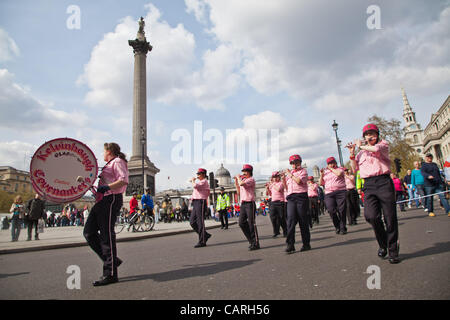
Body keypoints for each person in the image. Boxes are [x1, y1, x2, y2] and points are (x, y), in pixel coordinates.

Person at [348, 123, 400, 264]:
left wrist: (360, 145)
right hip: (369, 185)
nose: (369, 137)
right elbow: (355, 170)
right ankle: (383, 243)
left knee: (390, 218)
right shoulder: (361, 153)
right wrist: (352, 154)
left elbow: (375, 149)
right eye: (366, 134)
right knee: (371, 216)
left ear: (377, 135)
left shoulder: (383, 144)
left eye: (372, 134)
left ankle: (393, 250)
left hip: (383, 182)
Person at [83, 142, 129, 286]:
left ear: (109, 151)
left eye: (103, 151)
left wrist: (106, 187)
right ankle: (112, 261)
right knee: (89, 233)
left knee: (106, 235)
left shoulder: (118, 162)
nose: (102, 154)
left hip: (111, 199)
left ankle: (110, 273)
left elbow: (123, 180)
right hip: (101, 200)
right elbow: (102, 185)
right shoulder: (108, 165)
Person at [282, 155, 310, 254]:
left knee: (303, 220)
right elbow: (286, 187)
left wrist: (290, 175)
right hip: (291, 198)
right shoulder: (289, 174)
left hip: (301, 196)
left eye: (296, 163)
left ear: (300, 163)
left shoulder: (303, 172)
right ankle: (290, 245)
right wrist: (283, 179)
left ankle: (306, 244)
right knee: (290, 221)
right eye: (292, 163)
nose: (294, 165)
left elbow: (299, 181)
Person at [320, 157, 348, 235]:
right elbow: (321, 183)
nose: (331, 164)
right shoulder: (326, 172)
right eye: (329, 163)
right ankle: (337, 226)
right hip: (329, 193)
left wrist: (331, 169)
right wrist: (321, 174)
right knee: (331, 210)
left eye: (332, 163)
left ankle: (342, 227)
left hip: (340, 191)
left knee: (342, 210)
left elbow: (339, 174)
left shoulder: (340, 169)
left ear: (335, 162)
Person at [235, 164, 260, 251]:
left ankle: (256, 242)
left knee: (251, 223)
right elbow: (239, 193)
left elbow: (242, 183)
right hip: (243, 203)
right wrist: (236, 183)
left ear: (250, 172)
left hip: (250, 203)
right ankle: (251, 240)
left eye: (246, 171)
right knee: (241, 223)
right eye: (243, 171)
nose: (244, 173)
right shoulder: (244, 180)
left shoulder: (251, 179)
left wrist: (238, 179)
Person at [190, 168, 212, 247]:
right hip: (196, 202)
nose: (197, 176)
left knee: (200, 222)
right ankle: (204, 235)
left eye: (199, 174)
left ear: (203, 174)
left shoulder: (204, 181)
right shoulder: (200, 182)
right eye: (197, 174)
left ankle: (202, 241)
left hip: (201, 202)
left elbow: (195, 186)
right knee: (192, 222)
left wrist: (193, 180)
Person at [266, 171, 287, 237]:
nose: (274, 179)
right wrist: (267, 189)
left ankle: (285, 231)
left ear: (279, 177)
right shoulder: (272, 185)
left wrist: (272, 184)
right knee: (272, 217)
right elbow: (270, 193)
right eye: (273, 177)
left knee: (281, 218)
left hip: (280, 202)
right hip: (273, 202)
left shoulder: (281, 183)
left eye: (276, 177)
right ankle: (276, 231)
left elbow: (278, 189)